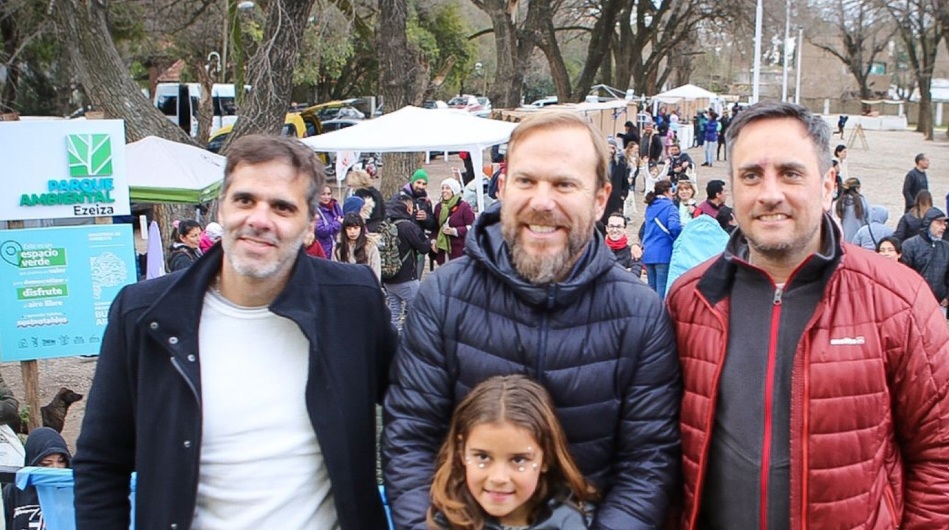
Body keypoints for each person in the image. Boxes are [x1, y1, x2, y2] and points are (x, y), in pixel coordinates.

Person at [665, 101, 949, 529]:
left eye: (791, 173)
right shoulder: (690, 300)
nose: (770, 193)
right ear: (732, 190)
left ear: (828, 183)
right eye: (751, 175)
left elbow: (944, 452)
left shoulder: (898, 301)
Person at [73, 135, 397, 530]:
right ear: (222, 209)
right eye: (245, 200)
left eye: (282, 206)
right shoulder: (144, 314)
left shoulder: (353, 303)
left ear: (311, 226)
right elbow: (101, 462)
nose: (259, 219)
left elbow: (419, 409)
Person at [382, 111, 681, 530]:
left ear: (599, 199)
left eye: (564, 184)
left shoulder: (640, 312)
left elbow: (646, 462)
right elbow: (411, 436)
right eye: (526, 181)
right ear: (502, 187)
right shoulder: (443, 295)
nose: (543, 201)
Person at [427, 375, 598, 530]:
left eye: (518, 460)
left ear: (545, 458)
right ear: (461, 450)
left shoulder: (575, 522)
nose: (498, 478)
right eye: (483, 457)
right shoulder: (442, 522)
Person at [2, 427, 70, 530]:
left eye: (61, 461)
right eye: (46, 463)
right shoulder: (15, 490)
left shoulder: (75, 489)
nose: (55, 468)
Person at [382, 196, 431, 332]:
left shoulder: (386, 224)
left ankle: (394, 343)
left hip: (388, 279)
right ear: (408, 208)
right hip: (406, 279)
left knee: (394, 313)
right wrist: (429, 241)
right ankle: (416, 341)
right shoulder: (408, 226)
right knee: (421, 310)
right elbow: (424, 247)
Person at [901, 207, 949, 312]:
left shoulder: (946, 247)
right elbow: (904, 276)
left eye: (944, 224)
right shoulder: (910, 245)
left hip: (939, 303)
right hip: (915, 303)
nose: (943, 227)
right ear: (928, 223)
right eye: (939, 223)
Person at [642, 180, 682, 299]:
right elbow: (674, 227)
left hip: (649, 252)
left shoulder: (650, 206)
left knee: (651, 289)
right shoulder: (670, 207)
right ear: (667, 191)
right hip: (663, 252)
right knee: (662, 290)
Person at [432, 177, 475, 265]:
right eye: (442, 188)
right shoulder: (439, 207)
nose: (444, 191)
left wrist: (455, 231)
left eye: (447, 188)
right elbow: (435, 226)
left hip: (459, 250)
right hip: (442, 251)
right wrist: (433, 240)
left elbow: (472, 227)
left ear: (454, 191)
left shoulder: (464, 207)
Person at [602, 140, 630, 233]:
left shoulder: (620, 165)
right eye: (609, 147)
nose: (610, 150)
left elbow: (625, 182)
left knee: (614, 222)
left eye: (613, 148)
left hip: (615, 199)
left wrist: (623, 195)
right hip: (601, 197)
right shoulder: (598, 165)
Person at [349, 162, 386, 232]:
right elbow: (383, 210)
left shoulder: (359, 194)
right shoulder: (376, 192)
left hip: (366, 228)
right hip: (379, 225)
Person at [605, 212, 641, 278]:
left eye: (619, 227)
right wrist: (625, 272)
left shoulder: (633, 253)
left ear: (625, 229)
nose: (615, 230)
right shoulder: (598, 250)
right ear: (607, 228)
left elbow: (635, 275)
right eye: (612, 226)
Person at [834, 177, 870, 243]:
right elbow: (868, 217)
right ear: (857, 188)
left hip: (844, 235)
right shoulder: (862, 200)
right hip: (860, 233)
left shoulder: (840, 201)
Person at [314, 185, 343, 257]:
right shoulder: (315, 210)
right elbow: (321, 230)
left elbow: (343, 220)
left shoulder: (335, 205)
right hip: (323, 248)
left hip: (338, 245)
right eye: (323, 194)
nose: (326, 197)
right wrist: (337, 223)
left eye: (329, 194)